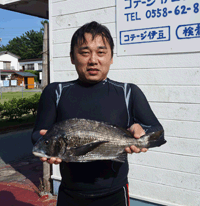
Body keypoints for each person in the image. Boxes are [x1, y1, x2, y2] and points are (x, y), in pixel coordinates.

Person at [31, 21, 163, 206]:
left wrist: (137, 130)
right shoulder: (55, 92)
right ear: (72, 57)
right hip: (70, 194)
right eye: (84, 52)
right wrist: (46, 142)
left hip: (115, 193)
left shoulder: (128, 92)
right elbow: (38, 133)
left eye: (101, 52)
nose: (93, 60)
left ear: (111, 57)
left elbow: (157, 131)